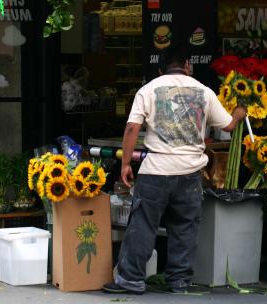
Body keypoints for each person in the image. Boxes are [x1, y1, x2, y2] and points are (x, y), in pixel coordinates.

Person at [103, 44, 247, 295]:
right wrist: (239, 113)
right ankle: (180, 282)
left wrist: (126, 164)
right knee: (185, 228)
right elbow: (229, 125)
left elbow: (131, 129)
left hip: (156, 170)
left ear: (160, 69)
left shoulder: (147, 90)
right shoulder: (204, 92)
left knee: (143, 226)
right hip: (190, 172)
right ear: (188, 66)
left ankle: (131, 280)